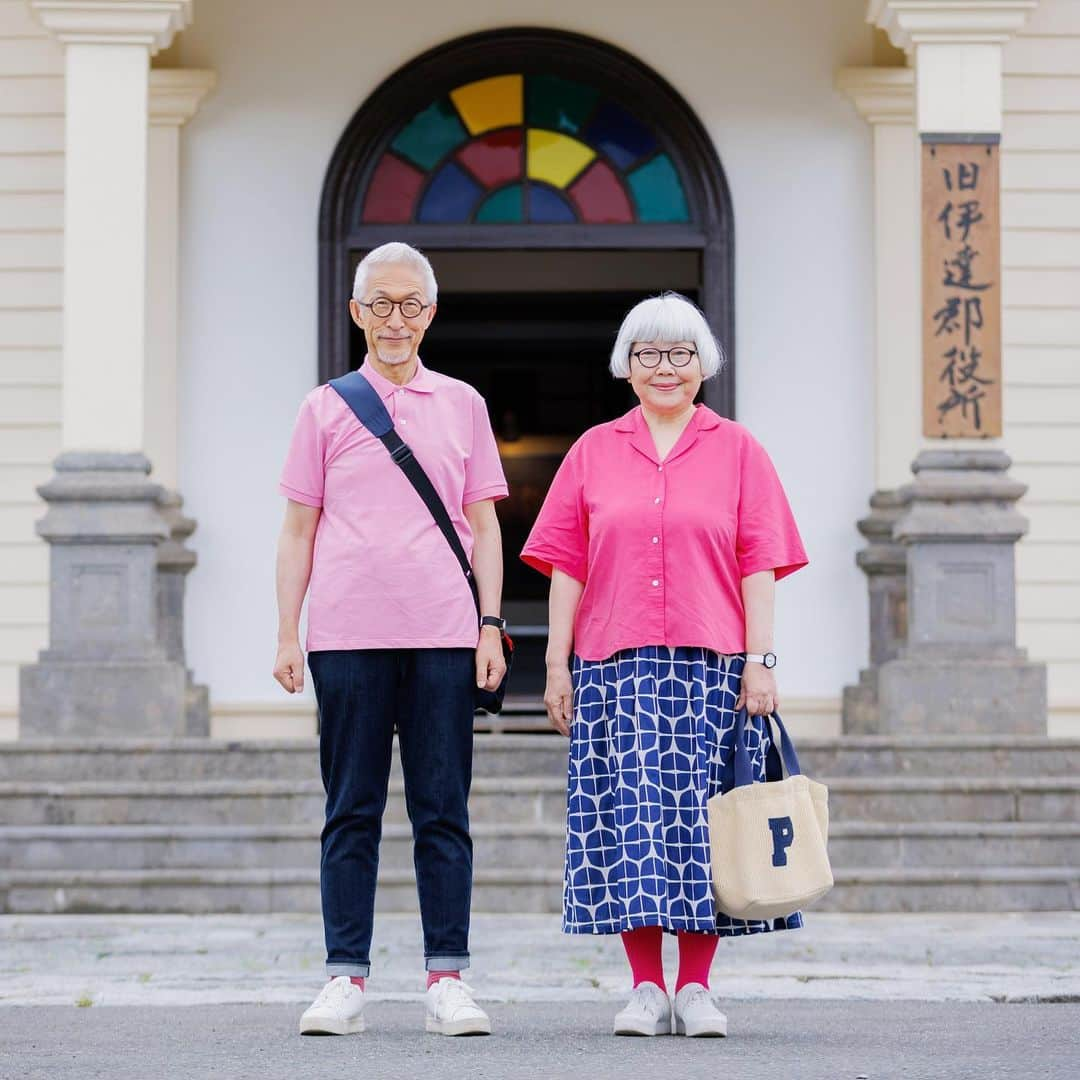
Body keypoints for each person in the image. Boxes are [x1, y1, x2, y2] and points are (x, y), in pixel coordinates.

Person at [521, 292, 808, 1038]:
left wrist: (761, 661)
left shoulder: (738, 448)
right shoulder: (592, 449)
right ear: (626, 365)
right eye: (648, 354)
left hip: (712, 667)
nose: (665, 369)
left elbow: (760, 564)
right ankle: (646, 988)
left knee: (706, 826)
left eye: (681, 354)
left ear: (703, 364)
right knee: (631, 824)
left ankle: (698, 989)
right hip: (613, 666)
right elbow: (566, 565)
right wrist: (557, 666)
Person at [274, 242, 508, 1037]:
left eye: (410, 304)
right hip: (345, 636)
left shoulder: (464, 403)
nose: (395, 319)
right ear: (356, 313)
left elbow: (483, 523)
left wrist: (490, 624)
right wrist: (287, 634)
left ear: (431, 313)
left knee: (444, 809)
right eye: (380, 303)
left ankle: (448, 976)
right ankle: (346, 977)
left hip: (444, 634)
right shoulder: (325, 408)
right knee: (351, 810)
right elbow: (298, 529)